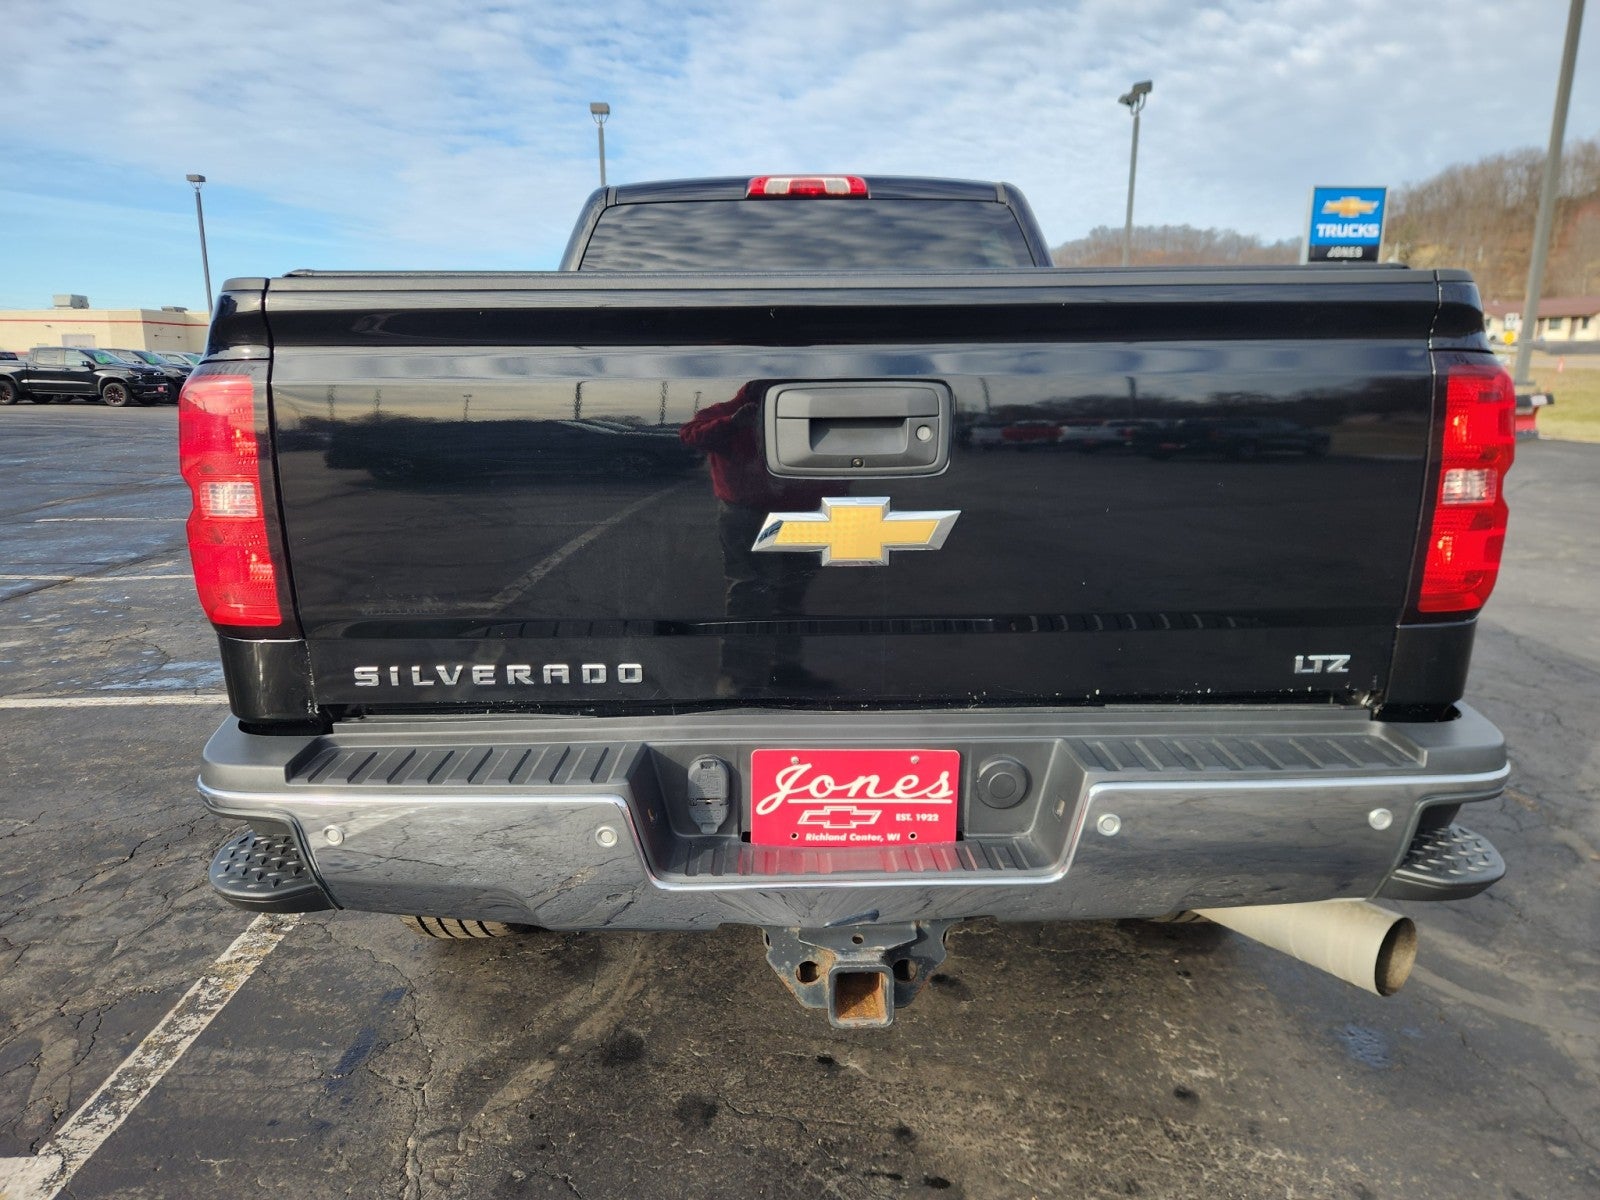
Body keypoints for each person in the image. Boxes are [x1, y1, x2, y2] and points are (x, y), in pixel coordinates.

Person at [680, 381, 834, 694]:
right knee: (748, 597)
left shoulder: (804, 409)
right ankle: (739, 681)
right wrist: (733, 423)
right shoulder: (726, 413)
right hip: (747, 514)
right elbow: (690, 435)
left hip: (802, 513)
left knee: (790, 596)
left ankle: (786, 670)